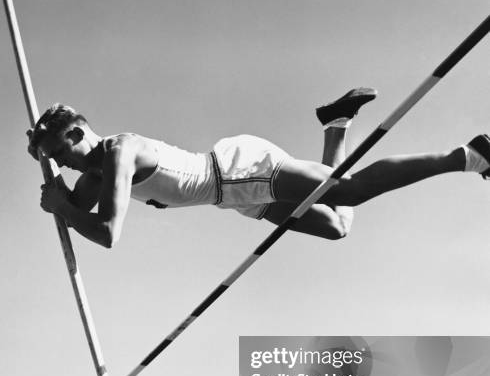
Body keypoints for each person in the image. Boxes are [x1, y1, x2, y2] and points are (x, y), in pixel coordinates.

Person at [27, 88, 490, 248]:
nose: (60, 163)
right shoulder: (91, 176)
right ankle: (336, 125)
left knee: (348, 192)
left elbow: (105, 232)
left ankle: (469, 155)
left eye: (57, 152)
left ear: (74, 133)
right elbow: (69, 205)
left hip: (235, 171)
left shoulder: (118, 152)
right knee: (336, 227)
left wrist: (62, 209)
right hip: (233, 198)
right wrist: (53, 192)